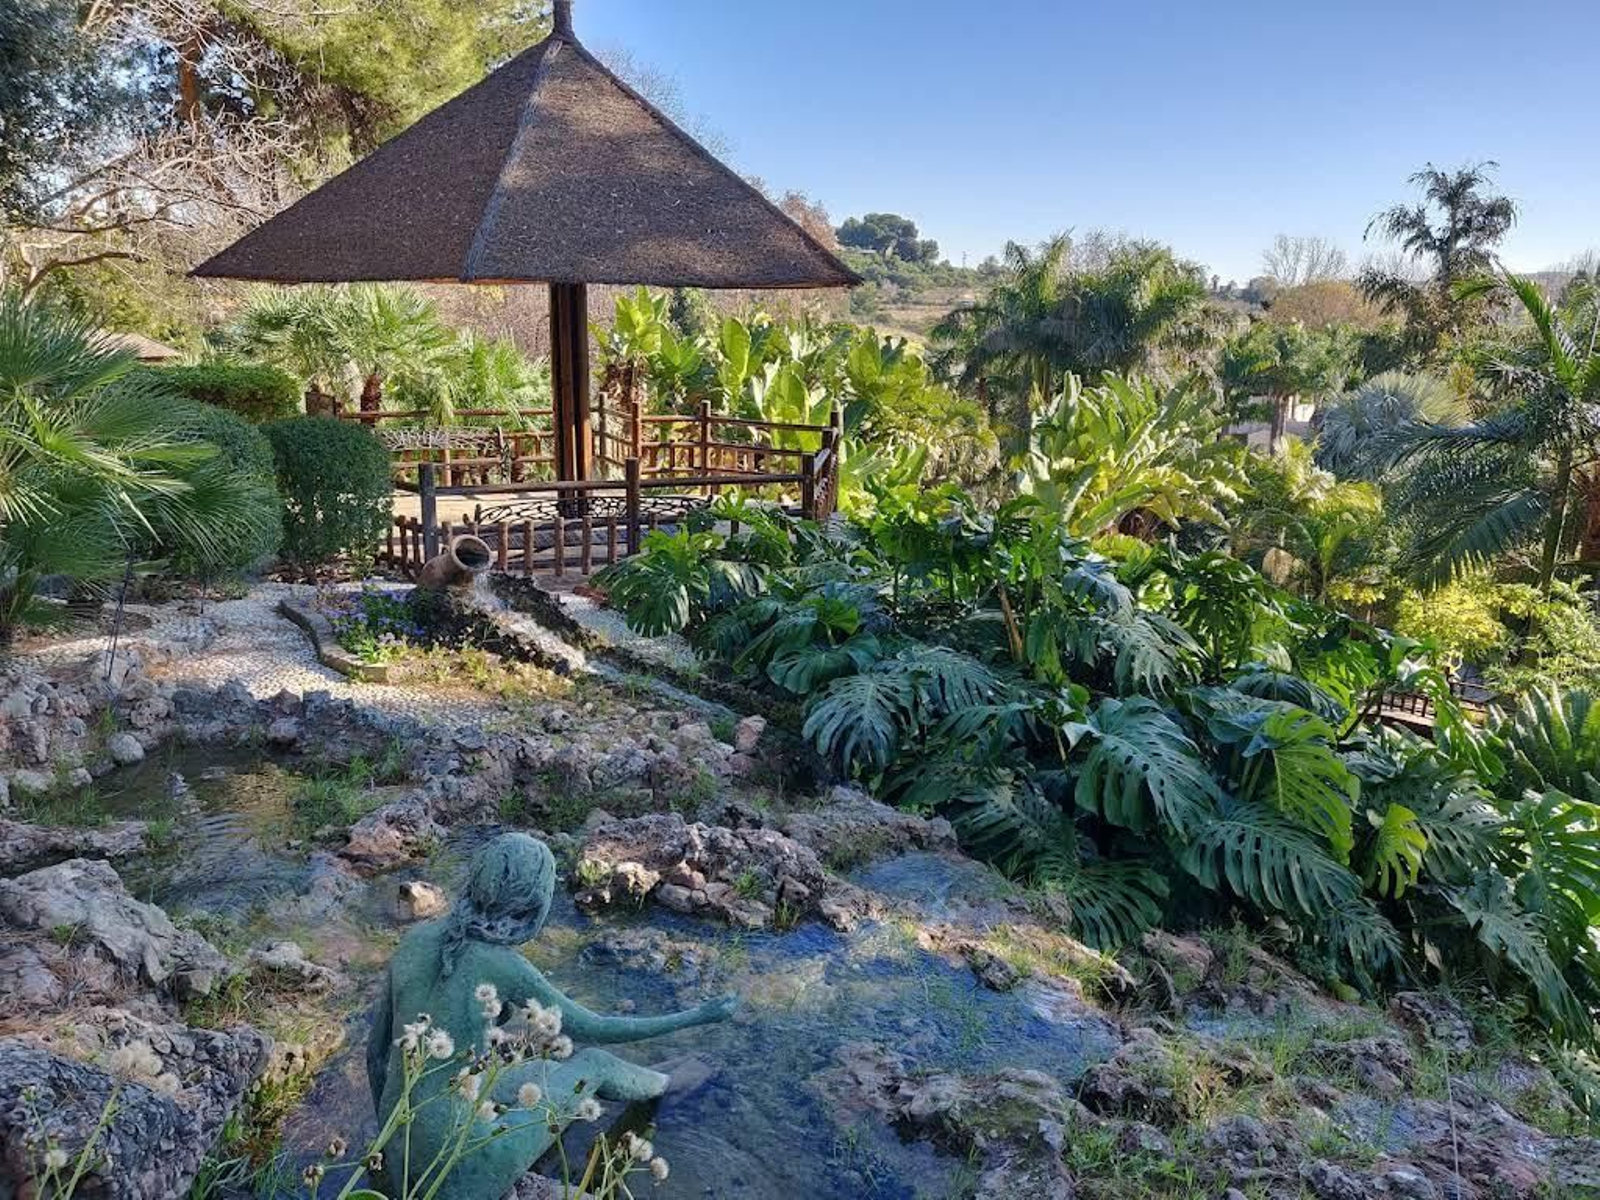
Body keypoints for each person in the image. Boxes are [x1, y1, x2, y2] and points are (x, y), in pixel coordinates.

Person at [366, 833, 737, 1197]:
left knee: (542, 1073)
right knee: (594, 1064)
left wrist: (389, 1153)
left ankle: (634, 1087)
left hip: (398, 1153)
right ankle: (666, 1085)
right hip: (457, 1171)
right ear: (531, 901)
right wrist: (698, 1015)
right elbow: (596, 1028)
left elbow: (376, 1056)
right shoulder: (500, 963)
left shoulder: (414, 941)